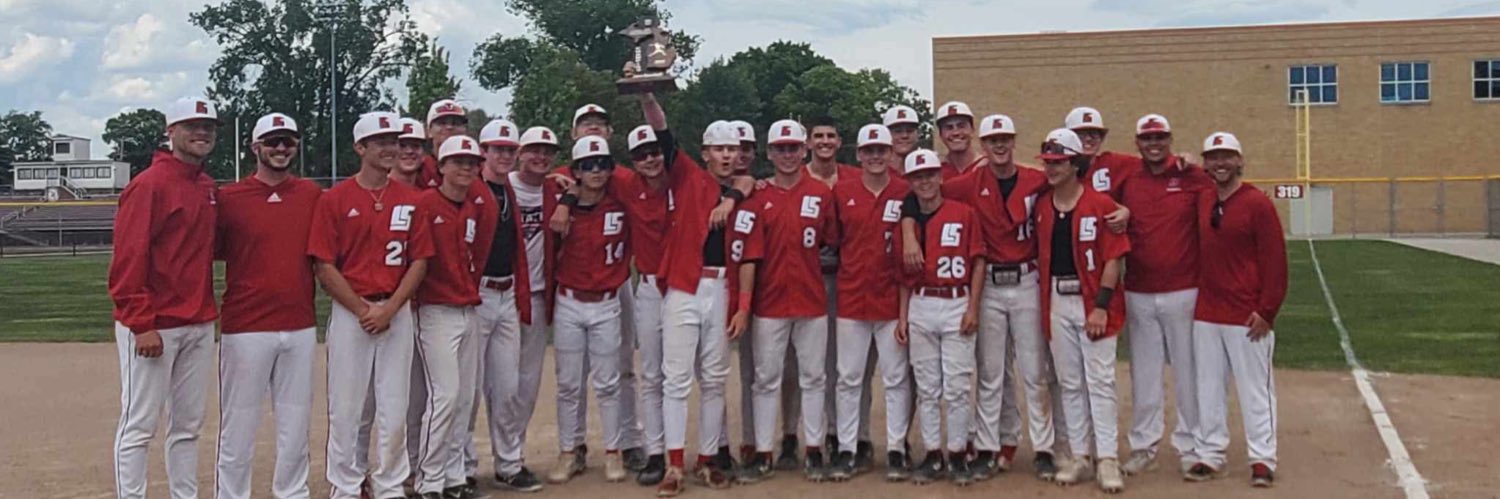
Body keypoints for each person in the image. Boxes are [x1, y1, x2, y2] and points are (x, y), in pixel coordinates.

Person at [312, 111, 434, 499]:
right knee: (347, 407)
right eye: (380, 141)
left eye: (393, 141)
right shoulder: (335, 199)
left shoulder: (412, 200)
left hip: (395, 312)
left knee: (394, 404)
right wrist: (363, 309)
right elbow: (323, 264)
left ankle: (389, 485)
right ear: (360, 147)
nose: (389, 148)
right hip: (352, 313)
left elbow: (420, 260)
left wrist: (391, 307)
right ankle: (346, 486)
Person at [109, 97, 220, 499]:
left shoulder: (207, 186)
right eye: (192, 126)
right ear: (170, 132)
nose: (202, 133)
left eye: (208, 127)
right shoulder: (149, 185)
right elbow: (127, 260)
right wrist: (141, 323)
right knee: (139, 424)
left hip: (198, 321)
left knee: (188, 426)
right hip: (155, 324)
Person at [213, 112, 322, 499]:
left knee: (295, 420)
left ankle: (292, 493)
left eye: (288, 141)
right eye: (272, 141)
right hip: (246, 324)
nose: (280, 148)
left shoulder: (310, 194)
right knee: (239, 422)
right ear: (254, 147)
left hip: (299, 323)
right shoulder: (229, 198)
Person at [733, 119, 837, 484]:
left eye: (794, 148)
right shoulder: (758, 195)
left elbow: (831, 238)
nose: (788, 154)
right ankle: (763, 451)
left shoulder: (821, 193)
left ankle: (813, 448)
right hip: (769, 301)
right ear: (770, 152)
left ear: (804, 150)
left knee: (814, 377)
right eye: (781, 148)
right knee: (765, 378)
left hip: (811, 299)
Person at [649, 113, 748, 495]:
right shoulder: (690, 176)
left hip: (721, 288)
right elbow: (663, 131)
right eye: (719, 149)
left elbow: (748, 182)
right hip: (686, 286)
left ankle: (707, 459)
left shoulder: (743, 187)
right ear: (705, 152)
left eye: (732, 149)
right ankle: (674, 464)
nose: (726, 155)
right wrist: (647, 94)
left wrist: (737, 193)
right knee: (675, 379)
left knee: (714, 378)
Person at [1114, 114, 1216, 478]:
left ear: (1170, 139)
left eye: (1160, 137)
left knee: (1189, 372)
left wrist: (1193, 162)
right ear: (1137, 142)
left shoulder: (1191, 176)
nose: (1153, 144)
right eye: (1147, 138)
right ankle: (1144, 446)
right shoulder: (1128, 179)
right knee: (1144, 374)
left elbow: (1220, 187)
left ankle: (1191, 445)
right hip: (1139, 290)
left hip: (1183, 290)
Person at [1033, 128, 1130, 494]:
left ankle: (1107, 458)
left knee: (1100, 381)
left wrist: (1101, 307)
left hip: (1091, 300)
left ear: (1076, 164)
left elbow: (1114, 258)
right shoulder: (1043, 204)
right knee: (1070, 383)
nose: (1052, 168)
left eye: (1059, 162)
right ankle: (1080, 455)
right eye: (1048, 162)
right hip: (1057, 298)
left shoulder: (1101, 204)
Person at [1189, 132, 1286, 488]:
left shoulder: (1257, 203)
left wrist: (1268, 309)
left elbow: (1275, 261)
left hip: (1247, 315)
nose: (1220, 163)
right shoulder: (1202, 198)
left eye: (1227, 156)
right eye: (1213, 157)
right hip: (1207, 311)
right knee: (1208, 388)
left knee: (1255, 390)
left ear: (1240, 161)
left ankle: (1262, 458)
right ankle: (1210, 453)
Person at [565, 103, 650, 474]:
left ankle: (629, 441)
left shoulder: (624, 179)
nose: (593, 130)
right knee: (572, 374)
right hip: (573, 287)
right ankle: (575, 446)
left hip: (617, 285)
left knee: (621, 367)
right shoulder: (562, 177)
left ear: (610, 135)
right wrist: (567, 198)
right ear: (574, 135)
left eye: (600, 125)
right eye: (586, 125)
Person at [411, 136, 496, 499]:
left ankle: (453, 477)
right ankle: (428, 480)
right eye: (457, 161)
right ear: (440, 166)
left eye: (472, 162)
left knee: (464, 399)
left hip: (467, 308)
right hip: (435, 310)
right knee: (444, 397)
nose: (466, 168)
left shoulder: (472, 206)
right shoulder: (426, 204)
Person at [827, 124, 913, 482]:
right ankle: (848, 448)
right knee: (849, 377)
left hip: (891, 298)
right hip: (851, 296)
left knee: (895, 378)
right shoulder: (842, 192)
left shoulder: (905, 191)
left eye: (882, 150)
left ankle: (896, 448)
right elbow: (833, 238)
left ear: (891, 153)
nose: (876, 157)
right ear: (859, 155)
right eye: (869, 151)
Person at [894, 148, 985, 487]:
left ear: (941, 176)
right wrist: (903, 317)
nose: (925, 181)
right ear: (910, 183)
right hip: (921, 304)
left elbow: (978, 261)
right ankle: (933, 453)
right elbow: (904, 276)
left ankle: (958, 453)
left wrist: (973, 306)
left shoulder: (963, 213)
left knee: (958, 385)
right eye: (918, 177)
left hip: (955, 302)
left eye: (930, 174)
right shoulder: (908, 223)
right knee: (928, 386)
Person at [472, 119, 546, 493]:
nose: (502, 155)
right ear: (482, 151)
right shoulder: (471, 189)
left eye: (508, 149)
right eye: (496, 148)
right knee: (467, 389)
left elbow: (549, 177)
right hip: (477, 296)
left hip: (507, 296)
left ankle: (509, 464)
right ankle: (463, 468)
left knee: (507, 387)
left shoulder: (511, 190)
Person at [494, 126, 567, 488]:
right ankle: (459, 464)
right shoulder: (500, 185)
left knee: (526, 383)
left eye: (547, 151)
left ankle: (511, 459)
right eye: (533, 149)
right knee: (494, 383)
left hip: (538, 296)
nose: (540, 156)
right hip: (502, 293)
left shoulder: (556, 189)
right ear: (520, 153)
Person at [419, 99, 470, 188]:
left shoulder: (474, 168)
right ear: (429, 131)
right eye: (441, 123)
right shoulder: (419, 168)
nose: (449, 127)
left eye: (456, 123)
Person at [934, 102, 985, 179]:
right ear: (941, 135)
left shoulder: (987, 166)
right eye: (949, 127)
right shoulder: (935, 172)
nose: (955, 132)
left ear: (972, 130)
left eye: (961, 126)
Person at [391, 118, 427, 185]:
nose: (409, 151)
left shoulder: (429, 193)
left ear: (424, 154)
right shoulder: (375, 189)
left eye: (415, 146)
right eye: (402, 146)